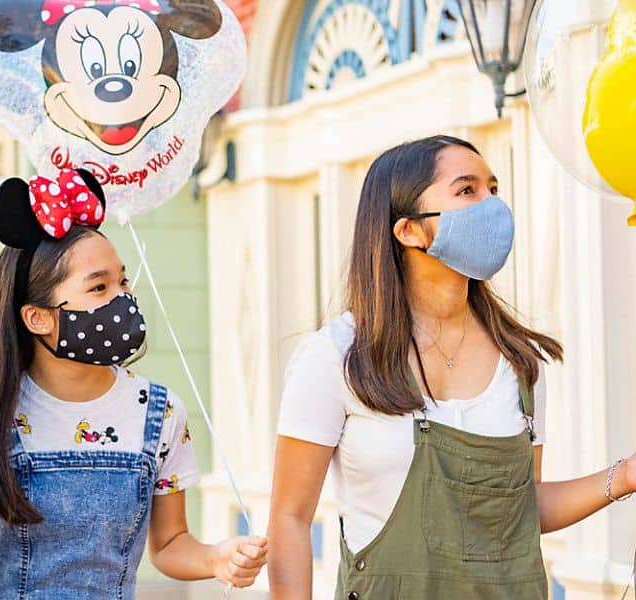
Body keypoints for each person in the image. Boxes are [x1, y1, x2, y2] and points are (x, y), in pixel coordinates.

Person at [268, 135, 636, 599]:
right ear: (408, 230)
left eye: (493, 189)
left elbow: (521, 509)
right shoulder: (337, 358)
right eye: (467, 190)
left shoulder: (521, 363)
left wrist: (623, 478)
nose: (492, 206)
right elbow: (290, 518)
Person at [0, 168, 268, 598]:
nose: (123, 298)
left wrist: (218, 557)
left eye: (123, 281)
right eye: (99, 287)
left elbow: (168, 544)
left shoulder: (159, 411)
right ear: (38, 317)